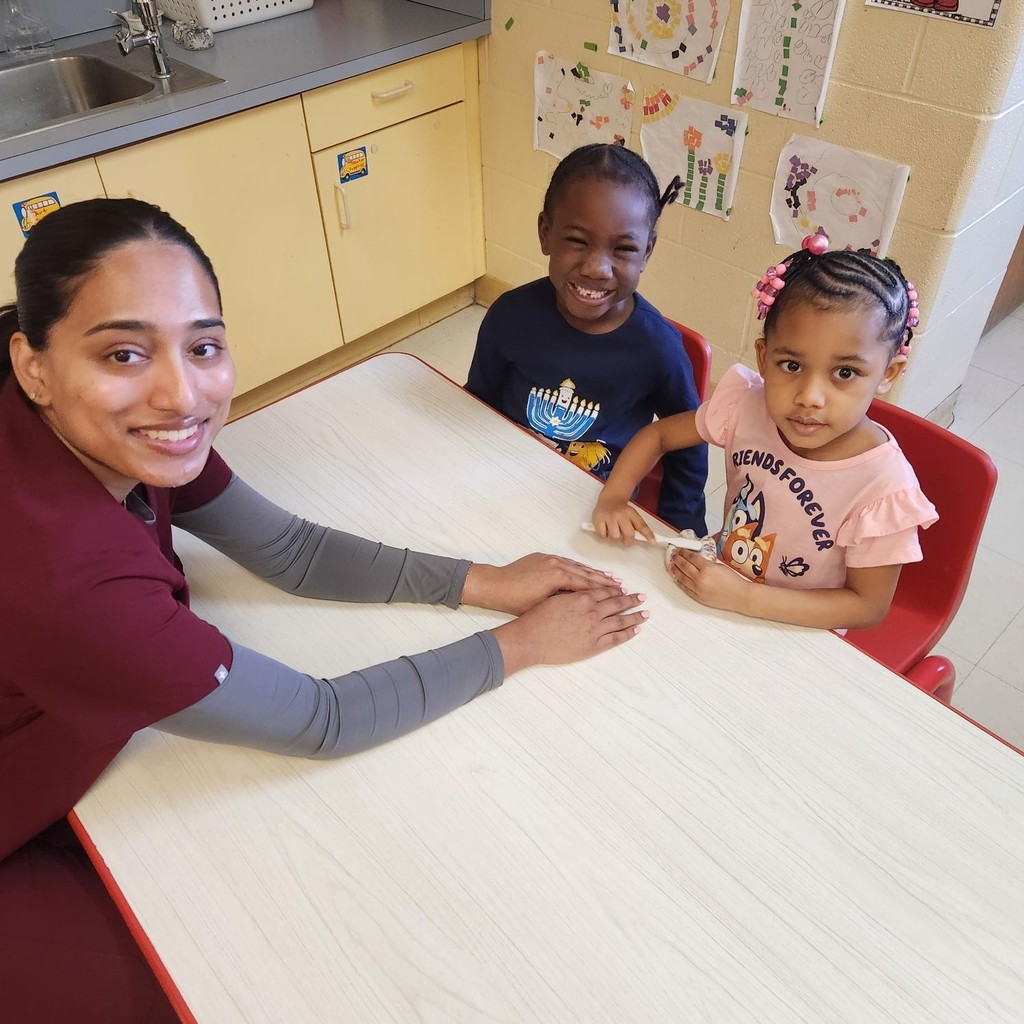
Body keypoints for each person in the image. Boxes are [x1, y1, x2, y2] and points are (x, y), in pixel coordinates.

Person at [0, 198, 648, 1022]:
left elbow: (291, 551)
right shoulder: (69, 581)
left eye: (204, 345)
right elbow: (322, 719)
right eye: (124, 352)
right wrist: (521, 644)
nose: (180, 391)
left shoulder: (112, 427)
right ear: (34, 365)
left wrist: (482, 578)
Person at [591, 233, 938, 632]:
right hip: (719, 590)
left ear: (887, 374)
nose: (809, 397)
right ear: (763, 357)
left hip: (797, 630)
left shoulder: (884, 488)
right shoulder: (747, 407)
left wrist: (744, 598)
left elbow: (866, 607)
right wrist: (614, 498)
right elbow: (659, 436)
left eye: (845, 373)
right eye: (791, 365)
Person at [465, 143, 708, 534]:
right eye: (577, 240)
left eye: (624, 249)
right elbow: (476, 404)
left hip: (594, 506)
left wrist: (681, 530)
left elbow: (687, 446)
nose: (596, 268)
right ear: (546, 233)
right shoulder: (509, 316)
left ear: (647, 251)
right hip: (501, 482)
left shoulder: (657, 348)